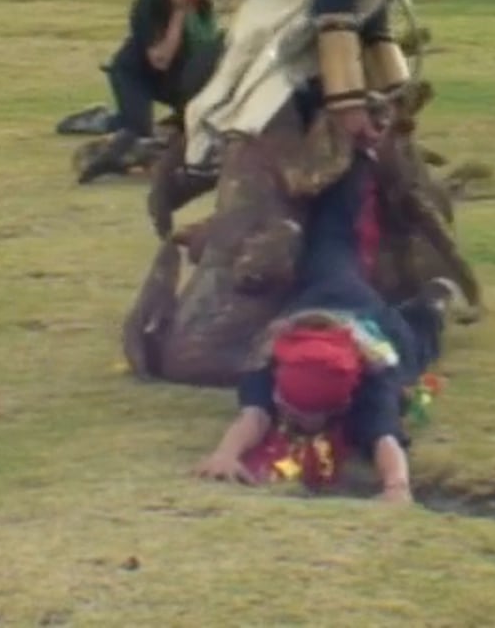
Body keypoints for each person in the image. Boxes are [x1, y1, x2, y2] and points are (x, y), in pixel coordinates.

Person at [126, 0, 487, 388]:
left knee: (381, 176)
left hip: (307, 59)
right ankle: (229, 326)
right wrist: (348, 109)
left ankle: (375, 291)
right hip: (277, 61)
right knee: (272, 201)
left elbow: (370, 19)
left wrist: (394, 100)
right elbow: (333, 10)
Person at [193, 165, 459, 501]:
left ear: (343, 403)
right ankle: (348, 169)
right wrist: (225, 455)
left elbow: (385, 438)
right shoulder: (268, 362)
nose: (305, 425)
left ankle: (433, 301)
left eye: (314, 417)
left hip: (376, 328)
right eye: (295, 414)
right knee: (329, 241)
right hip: (326, 291)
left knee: (415, 351)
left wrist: (397, 487)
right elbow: (254, 416)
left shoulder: (372, 382)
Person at [80, 0, 226, 183]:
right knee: (139, 131)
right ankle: (102, 125)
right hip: (136, 75)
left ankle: (163, 136)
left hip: (175, 79)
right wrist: (179, 13)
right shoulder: (147, 5)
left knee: (196, 118)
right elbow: (161, 60)